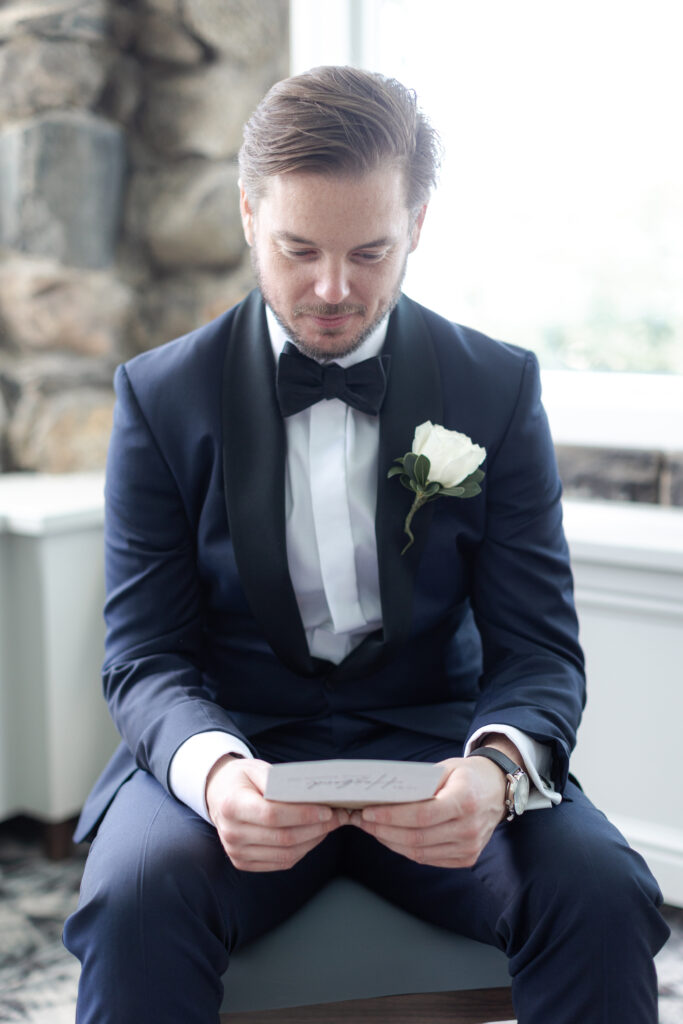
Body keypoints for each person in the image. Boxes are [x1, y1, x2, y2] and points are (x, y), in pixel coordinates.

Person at [63, 65, 669, 1023]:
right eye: (299, 248)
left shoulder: (496, 387)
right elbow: (145, 658)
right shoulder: (160, 395)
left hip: (438, 749)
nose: (333, 288)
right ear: (247, 213)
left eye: (371, 251)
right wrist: (217, 774)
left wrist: (496, 771)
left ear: (417, 224)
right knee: (136, 901)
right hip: (238, 745)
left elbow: (539, 649)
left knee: (600, 892)